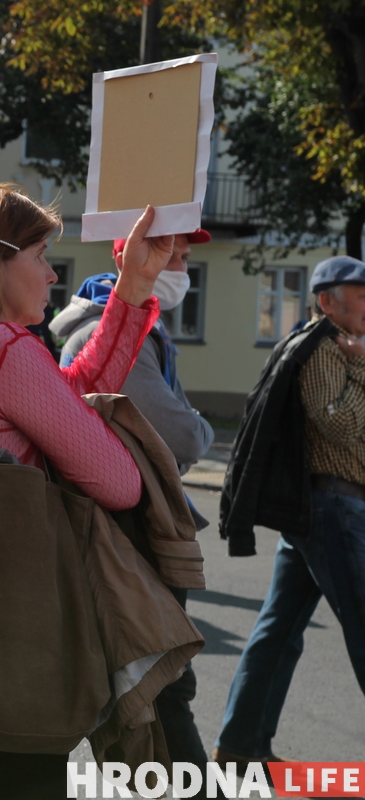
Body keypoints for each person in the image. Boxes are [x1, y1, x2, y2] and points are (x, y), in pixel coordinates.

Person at [0, 184, 172, 798]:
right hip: (11, 661)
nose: (53, 274)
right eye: (40, 254)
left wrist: (131, 287)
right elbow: (119, 483)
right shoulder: (6, 349)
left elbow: (64, 400)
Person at [50, 230, 215, 766]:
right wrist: (194, 433)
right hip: (130, 531)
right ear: (130, 258)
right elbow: (184, 435)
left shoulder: (149, 330)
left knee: (151, 689)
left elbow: (179, 429)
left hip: (142, 523)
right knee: (155, 684)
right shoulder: (107, 333)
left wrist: (189, 431)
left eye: (186, 257)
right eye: (174, 254)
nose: (181, 268)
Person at [214, 255, 365, 767]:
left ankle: (238, 747)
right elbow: (339, 423)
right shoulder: (324, 347)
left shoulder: (344, 346)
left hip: (318, 509)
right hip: (332, 508)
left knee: (278, 631)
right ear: (328, 302)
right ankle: (238, 746)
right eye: (361, 296)